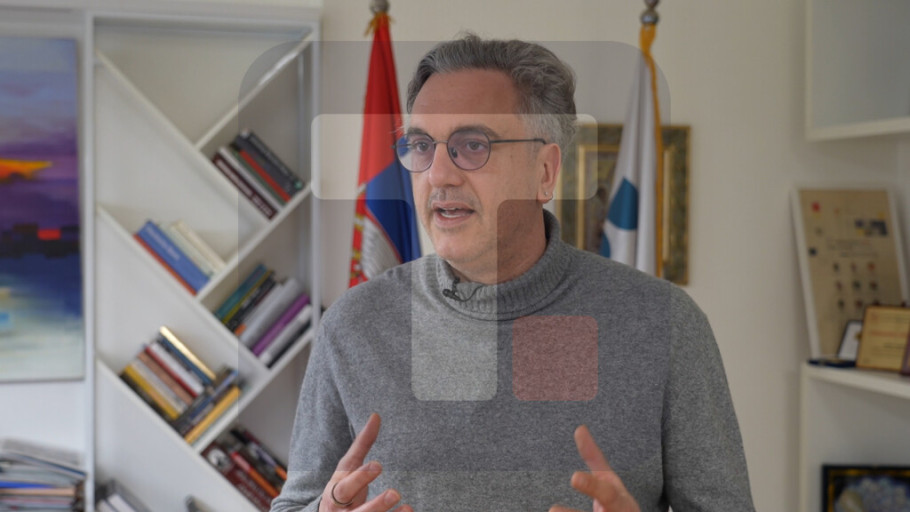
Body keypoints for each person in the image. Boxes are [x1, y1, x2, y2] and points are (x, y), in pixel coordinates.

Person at [270, 34, 754, 512]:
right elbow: (294, 505)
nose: (438, 175)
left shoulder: (666, 324)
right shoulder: (353, 325)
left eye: (473, 145)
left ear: (545, 171)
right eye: (421, 145)